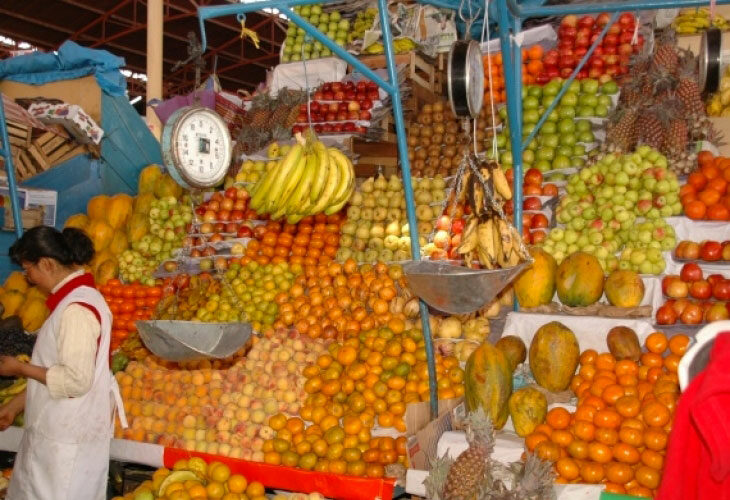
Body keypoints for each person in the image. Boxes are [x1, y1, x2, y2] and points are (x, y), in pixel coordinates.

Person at [0, 225, 126, 500]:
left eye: (28, 269)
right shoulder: (71, 302)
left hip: (67, 441)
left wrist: (19, 368)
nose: (28, 277)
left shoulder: (76, 311)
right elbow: (55, 366)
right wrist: (16, 404)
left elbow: (76, 380)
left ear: (46, 264)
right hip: (58, 430)